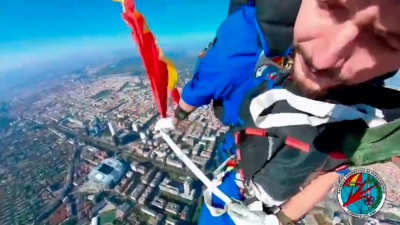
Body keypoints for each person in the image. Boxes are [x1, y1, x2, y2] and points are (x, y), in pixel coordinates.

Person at [156, 0, 400, 224]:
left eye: (384, 40)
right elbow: (336, 165)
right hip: (254, 171)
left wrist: (178, 115)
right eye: (329, 5)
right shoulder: (370, 109)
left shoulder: (246, 34)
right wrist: (280, 219)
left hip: (244, 168)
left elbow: (212, 76)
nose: (325, 59)